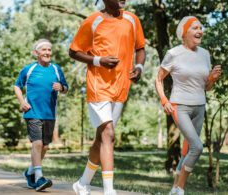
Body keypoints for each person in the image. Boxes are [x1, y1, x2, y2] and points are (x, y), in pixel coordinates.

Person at [69, 0, 146, 194]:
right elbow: (74, 51)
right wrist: (98, 60)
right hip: (98, 85)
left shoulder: (132, 19)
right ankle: (109, 190)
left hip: (121, 87)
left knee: (102, 138)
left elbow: (140, 48)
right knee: (109, 134)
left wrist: (139, 67)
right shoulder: (93, 21)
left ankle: (82, 183)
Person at [155, 16, 222, 195]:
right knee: (197, 147)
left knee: (187, 149)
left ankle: (173, 189)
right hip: (180, 106)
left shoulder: (205, 54)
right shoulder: (174, 53)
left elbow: (205, 87)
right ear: (184, 32)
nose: (200, 30)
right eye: (194, 27)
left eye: (201, 27)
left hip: (199, 107)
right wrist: (164, 100)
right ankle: (180, 189)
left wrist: (212, 79)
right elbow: (158, 79)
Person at [14, 39, 68, 192]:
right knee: (37, 144)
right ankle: (39, 177)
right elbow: (17, 86)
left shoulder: (56, 69)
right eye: (44, 50)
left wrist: (61, 87)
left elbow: (66, 88)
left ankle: (30, 172)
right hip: (32, 112)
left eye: (49, 50)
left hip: (50, 113)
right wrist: (21, 102)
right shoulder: (29, 69)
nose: (47, 53)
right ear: (36, 53)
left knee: (44, 146)